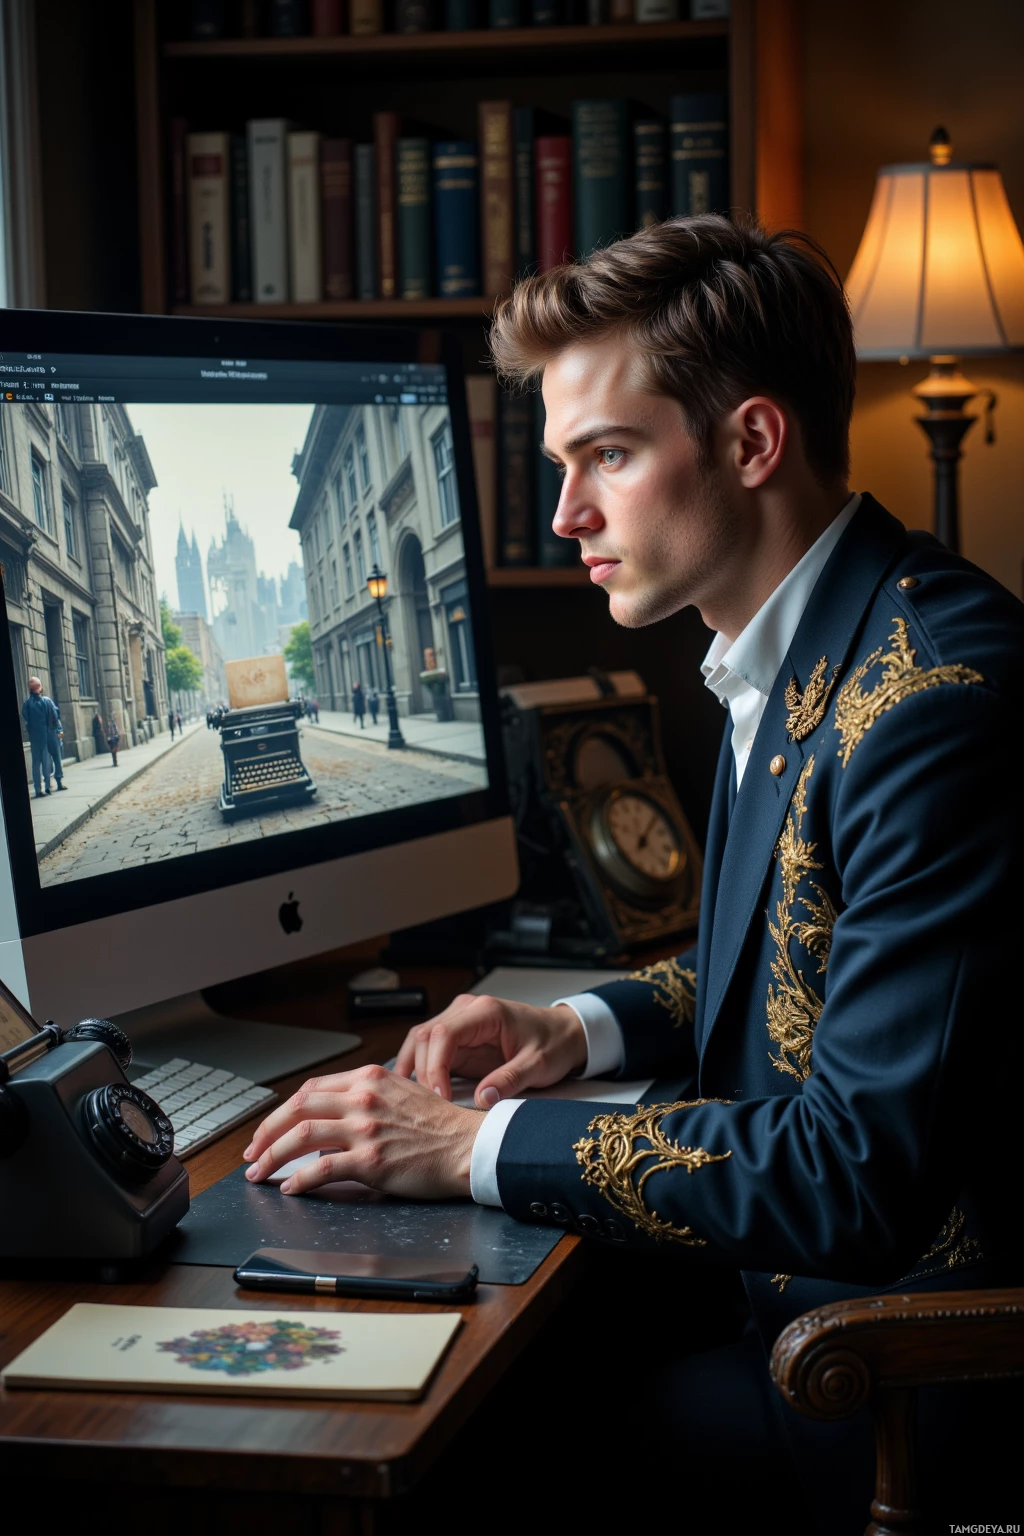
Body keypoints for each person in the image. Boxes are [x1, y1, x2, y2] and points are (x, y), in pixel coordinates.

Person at [242, 216, 1023, 1531]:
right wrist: (573, 1022)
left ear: (753, 442)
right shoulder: (795, 644)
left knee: (449, 1455)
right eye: (562, 462)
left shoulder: (933, 697)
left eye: (607, 454)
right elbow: (798, 951)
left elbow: (848, 1175)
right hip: (783, 1302)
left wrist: (467, 1142)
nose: (567, 514)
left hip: (896, 1386)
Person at [21, 677, 66, 797]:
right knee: (53, 759)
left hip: (35, 738)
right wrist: (59, 735)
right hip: (50, 735)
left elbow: (26, 718)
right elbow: (55, 719)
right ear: (40, 688)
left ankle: (37, 789)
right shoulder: (47, 701)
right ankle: (51, 785)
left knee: (36, 763)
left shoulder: (26, 704)